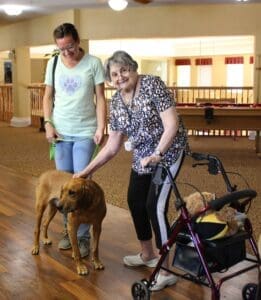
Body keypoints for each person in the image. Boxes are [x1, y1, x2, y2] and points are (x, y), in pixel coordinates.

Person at [74, 50, 188, 291]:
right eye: (114, 74)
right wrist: (85, 171)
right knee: (135, 201)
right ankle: (147, 254)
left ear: (134, 69)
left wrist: (158, 153)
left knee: (154, 206)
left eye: (124, 70)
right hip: (143, 155)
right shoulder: (116, 101)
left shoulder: (153, 85)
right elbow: (113, 145)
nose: (120, 77)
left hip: (168, 151)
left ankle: (165, 269)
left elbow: (172, 124)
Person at [43, 23, 106, 258]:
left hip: (85, 131)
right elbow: (48, 96)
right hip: (60, 132)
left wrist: (101, 126)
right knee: (64, 185)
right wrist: (48, 123)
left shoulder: (93, 63)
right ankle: (68, 231)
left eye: (70, 46)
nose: (66, 52)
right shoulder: (53, 63)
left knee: (81, 181)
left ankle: (81, 236)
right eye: (61, 48)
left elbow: (100, 98)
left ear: (78, 41)